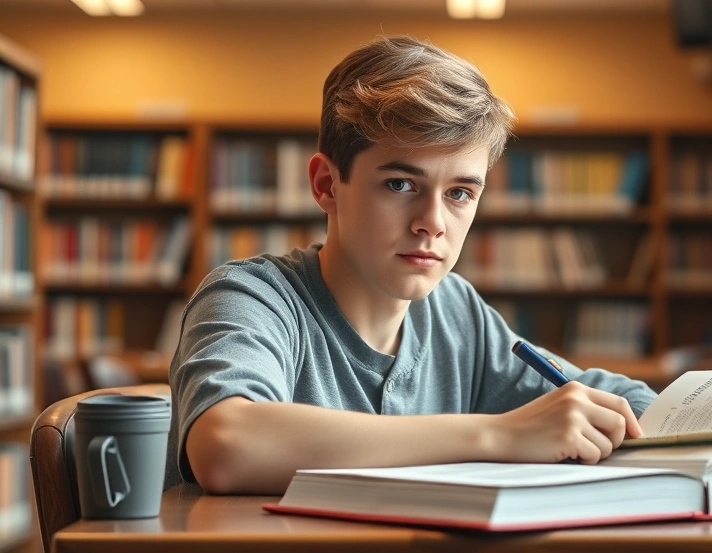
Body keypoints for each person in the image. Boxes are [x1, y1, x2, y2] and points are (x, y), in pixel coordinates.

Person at [166, 35, 656, 494]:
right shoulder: (251, 296)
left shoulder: (456, 311)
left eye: (460, 193)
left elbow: (613, 401)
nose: (433, 223)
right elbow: (226, 443)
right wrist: (497, 436)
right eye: (401, 184)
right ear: (326, 185)